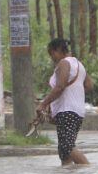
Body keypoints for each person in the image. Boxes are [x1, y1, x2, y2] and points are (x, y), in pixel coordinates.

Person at [37, 39, 93, 167]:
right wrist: (75, 93)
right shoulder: (78, 64)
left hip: (67, 111)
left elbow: (60, 87)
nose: (52, 58)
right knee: (64, 152)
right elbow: (89, 85)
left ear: (57, 50)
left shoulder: (64, 63)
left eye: (51, 54)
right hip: (77, 111)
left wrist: (43, 104)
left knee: (67, 146)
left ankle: (89, 169)